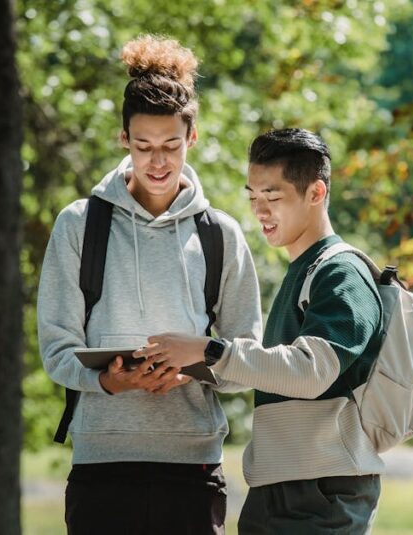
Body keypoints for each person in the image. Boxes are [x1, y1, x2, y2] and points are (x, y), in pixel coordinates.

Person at [37, 35, 262, 535]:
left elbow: (247, 356)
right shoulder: (79, 226)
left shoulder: (220, 234)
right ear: (123, 139)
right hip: (101, 463)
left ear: (193, 138)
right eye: (143, 147)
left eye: (170, 146)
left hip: (192, 466)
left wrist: (194, 367)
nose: (157, 162)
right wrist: (110, 380)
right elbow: (56, 348)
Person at [142, 128, 385, 534]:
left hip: (321, 493)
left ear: (316, 193)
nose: (260, 211)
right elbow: (277, 371)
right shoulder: (304, 271)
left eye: (273, 197)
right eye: (253, 197)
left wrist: (209, 350)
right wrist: (196, 367)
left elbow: (311, 371)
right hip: (280, 487)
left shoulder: (340, 274)